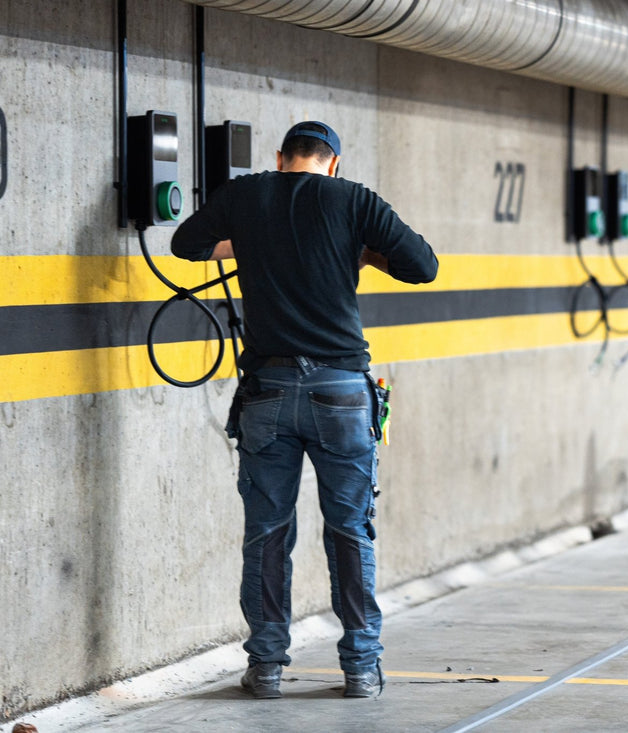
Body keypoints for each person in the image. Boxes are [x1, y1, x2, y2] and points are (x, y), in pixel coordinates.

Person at [171, 121, 438, 700]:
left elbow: (184, 246)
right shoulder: (353, 198)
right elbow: (423, 266)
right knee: (350, 532)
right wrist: (362, 254)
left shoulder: (247, 195)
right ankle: (361, 668)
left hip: (267, 392)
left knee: (267, 533)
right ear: (333, 163)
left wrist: (250, 239)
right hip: (342, 392)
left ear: (280, 158)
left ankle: (266, 666)